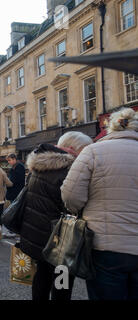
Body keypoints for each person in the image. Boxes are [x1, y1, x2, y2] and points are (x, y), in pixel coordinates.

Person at [61, 108, 138, 300]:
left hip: (104, 247)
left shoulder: (92, 152)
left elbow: (70, 196)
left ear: (110, 127)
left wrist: (82, 209)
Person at [19, 131, 93, 301]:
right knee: (62, 282)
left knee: (42, 276)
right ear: (73, 149)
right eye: (85, 150)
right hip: (60, 239)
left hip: (37, 236)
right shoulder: (68, 170)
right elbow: (73, 204)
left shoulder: (38, 167)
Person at [4, 154, 26, 237]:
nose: (9, 162)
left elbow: (15, 180)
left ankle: (14, 230)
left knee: (14, 212)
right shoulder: (15, 167)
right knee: (14, 211)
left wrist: (8, 182)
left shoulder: (19, 167)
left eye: (9, 160)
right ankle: (14, 230)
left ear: (14, 159)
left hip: (16, 192)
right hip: (14, 192)